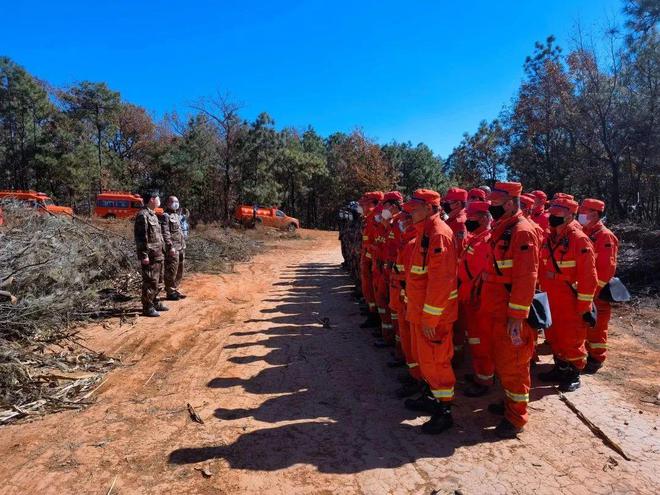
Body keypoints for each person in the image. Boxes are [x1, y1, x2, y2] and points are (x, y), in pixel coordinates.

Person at [480, 182, 539, 438]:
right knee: (502, 361)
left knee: (515, 365)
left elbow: (526, 278)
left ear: (509, 201)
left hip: (510, 313)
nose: (491, 205)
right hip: (496, 308)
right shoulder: (503, 228)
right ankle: (508, 405)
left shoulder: (522, 231)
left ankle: (516, 418)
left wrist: (517, 316)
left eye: (496, 201)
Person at [402, 189, 458, 435]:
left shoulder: (439, 235)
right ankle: (431, 398)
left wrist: (430, 317)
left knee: (437, 363)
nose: (411, 211)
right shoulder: (425, 232)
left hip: (433, 316)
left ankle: (444, 411)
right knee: (426, 361)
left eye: (415, 207)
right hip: (421, 312)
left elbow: (440, 282)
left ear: (429, 208)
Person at [538, 196, 597, 392]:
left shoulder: (579, 239)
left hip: (569, 300)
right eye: (552, 210)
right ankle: (560, 367)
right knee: (553, 336)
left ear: (571, 215)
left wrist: (584, 307)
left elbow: (589, 277)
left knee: (571, 338)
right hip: (550, 297)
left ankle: (574, 373)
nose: (553, 215)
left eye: (559, 212)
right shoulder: (550, 237)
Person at [578, 198, 619, 374]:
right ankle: (587, 354)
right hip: (585, 290)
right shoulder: (585, 232)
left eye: (583, 211)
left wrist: (593, 292)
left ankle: (596, 358)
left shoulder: (605, 236)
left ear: (595, 214)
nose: (580, 214)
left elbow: (606, 268)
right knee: (586, 325)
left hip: (597, 292)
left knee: (597, 326)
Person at [458, 200, 493, 397]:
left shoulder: (484, 241)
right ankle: (481, 374)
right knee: (475, 340)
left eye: (471, 217)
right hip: (470, 299)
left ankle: (485, 380)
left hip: (477, 301)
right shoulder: (475, 238)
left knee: (481, 341)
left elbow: (475, 275)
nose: (467, 220)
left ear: (483, 218)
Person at [134, 190, 169, 317]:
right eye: (157, 197)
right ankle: (147, 307)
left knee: (158, 281)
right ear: (152, 199)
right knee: (150, 281)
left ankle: (155, 301)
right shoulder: (143, 215)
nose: (159, 200)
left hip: (159, 254)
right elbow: (141, 237)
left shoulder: (153, 215)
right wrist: (144, 255)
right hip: (150, 256)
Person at [359, 192, 384, 328]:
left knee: (374, 289)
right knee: (369, 287)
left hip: (374, 260)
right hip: (369, 258)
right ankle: (371, 310)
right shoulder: (369, 217)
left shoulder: (377, 218)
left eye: (364, 204)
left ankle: (374, 315)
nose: (362, 207)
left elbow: (379, 241)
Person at [161, 196, 187, 301]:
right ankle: (170, 291)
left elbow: (180, 231)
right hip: (173, 248)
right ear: (168, 203)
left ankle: (175, 289)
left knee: (179, 270)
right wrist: (170, 246)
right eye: (173, 201)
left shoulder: (176, 215)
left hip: (181, 247)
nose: (175, 203)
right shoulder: (165, 216)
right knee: (171, 270)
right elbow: (165, 233)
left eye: (177, 201)